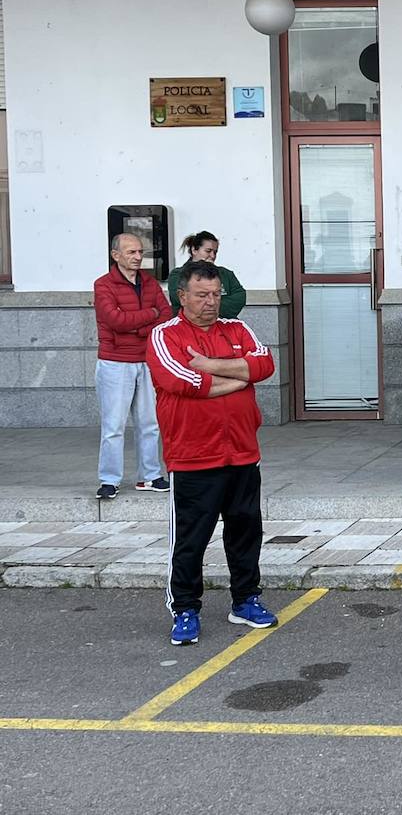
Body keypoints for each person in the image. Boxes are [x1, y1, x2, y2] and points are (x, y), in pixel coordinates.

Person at [146, 260, 278, 646]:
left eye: (216, 294)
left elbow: (265, 363)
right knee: (191, 538)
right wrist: (239, 377)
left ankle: (245, 600)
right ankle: (185, 608)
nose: (211, 302)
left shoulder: (237, 328)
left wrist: (211, 366)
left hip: (241, 451)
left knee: (245, 531)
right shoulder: (164, 335)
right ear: (181, 296)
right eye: (202, 295)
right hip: (193, 456)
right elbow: (183, 381)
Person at [93, 233, 173, 499]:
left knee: (150, 423)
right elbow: (114, 320)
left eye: (140, 252)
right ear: (116, 255)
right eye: (131, 252)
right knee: (113, 425)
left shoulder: (150, 284)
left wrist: (136, 326)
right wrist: (147, 318)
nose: (138, 257)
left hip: (147, 360)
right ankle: (109, 480)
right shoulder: (103, 285)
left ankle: (150, 476)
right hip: (115, 363)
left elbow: (165, 315)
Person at [168, 231, 246, 319]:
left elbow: (240, 298)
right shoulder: (178, 275)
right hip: (189, 328)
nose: (212, 256)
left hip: (225, 326)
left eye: (215, 252)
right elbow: (182, 300)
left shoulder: (226, 274)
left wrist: (204, 306)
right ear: (194, 250)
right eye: (208, 251)